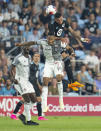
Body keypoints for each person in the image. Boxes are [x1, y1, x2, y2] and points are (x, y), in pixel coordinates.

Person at [48, 12, 89, 88]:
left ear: (62, 17)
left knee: (67, 61)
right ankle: (70, 83)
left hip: (60, 43)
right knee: (65, 60)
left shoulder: (65, 22)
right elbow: (50, 38)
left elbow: (73, 32)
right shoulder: (52, 25)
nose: (60, 21)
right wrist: (61, 38)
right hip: (53, 45)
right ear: (55, 20)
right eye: (58, 20)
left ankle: (72, 82)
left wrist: (82, 39)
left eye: (61, 19)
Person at [11, 52, 48, 120]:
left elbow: (35, 77)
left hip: (34, 84)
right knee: (30, 100)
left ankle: (15, 114)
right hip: (29, 84)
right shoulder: (30, 65)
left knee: (31, 99)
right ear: (33, 58)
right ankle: (37, 116)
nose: (37, 57)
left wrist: (39, 85)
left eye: (38, 56)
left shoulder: (37, 65)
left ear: (39, 58)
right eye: (35, 56)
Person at [10, 46, 39, 125]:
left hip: (27, 81)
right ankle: (29, 121)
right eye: (26, 48)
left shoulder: (29, 57)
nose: (28, 49)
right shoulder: (18, 58)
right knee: (27, 100)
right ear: (22, 49)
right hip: (20, 81)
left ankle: (23, 115)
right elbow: (12, 67)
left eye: (28, 48)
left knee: (34, 101)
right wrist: (13, 78)